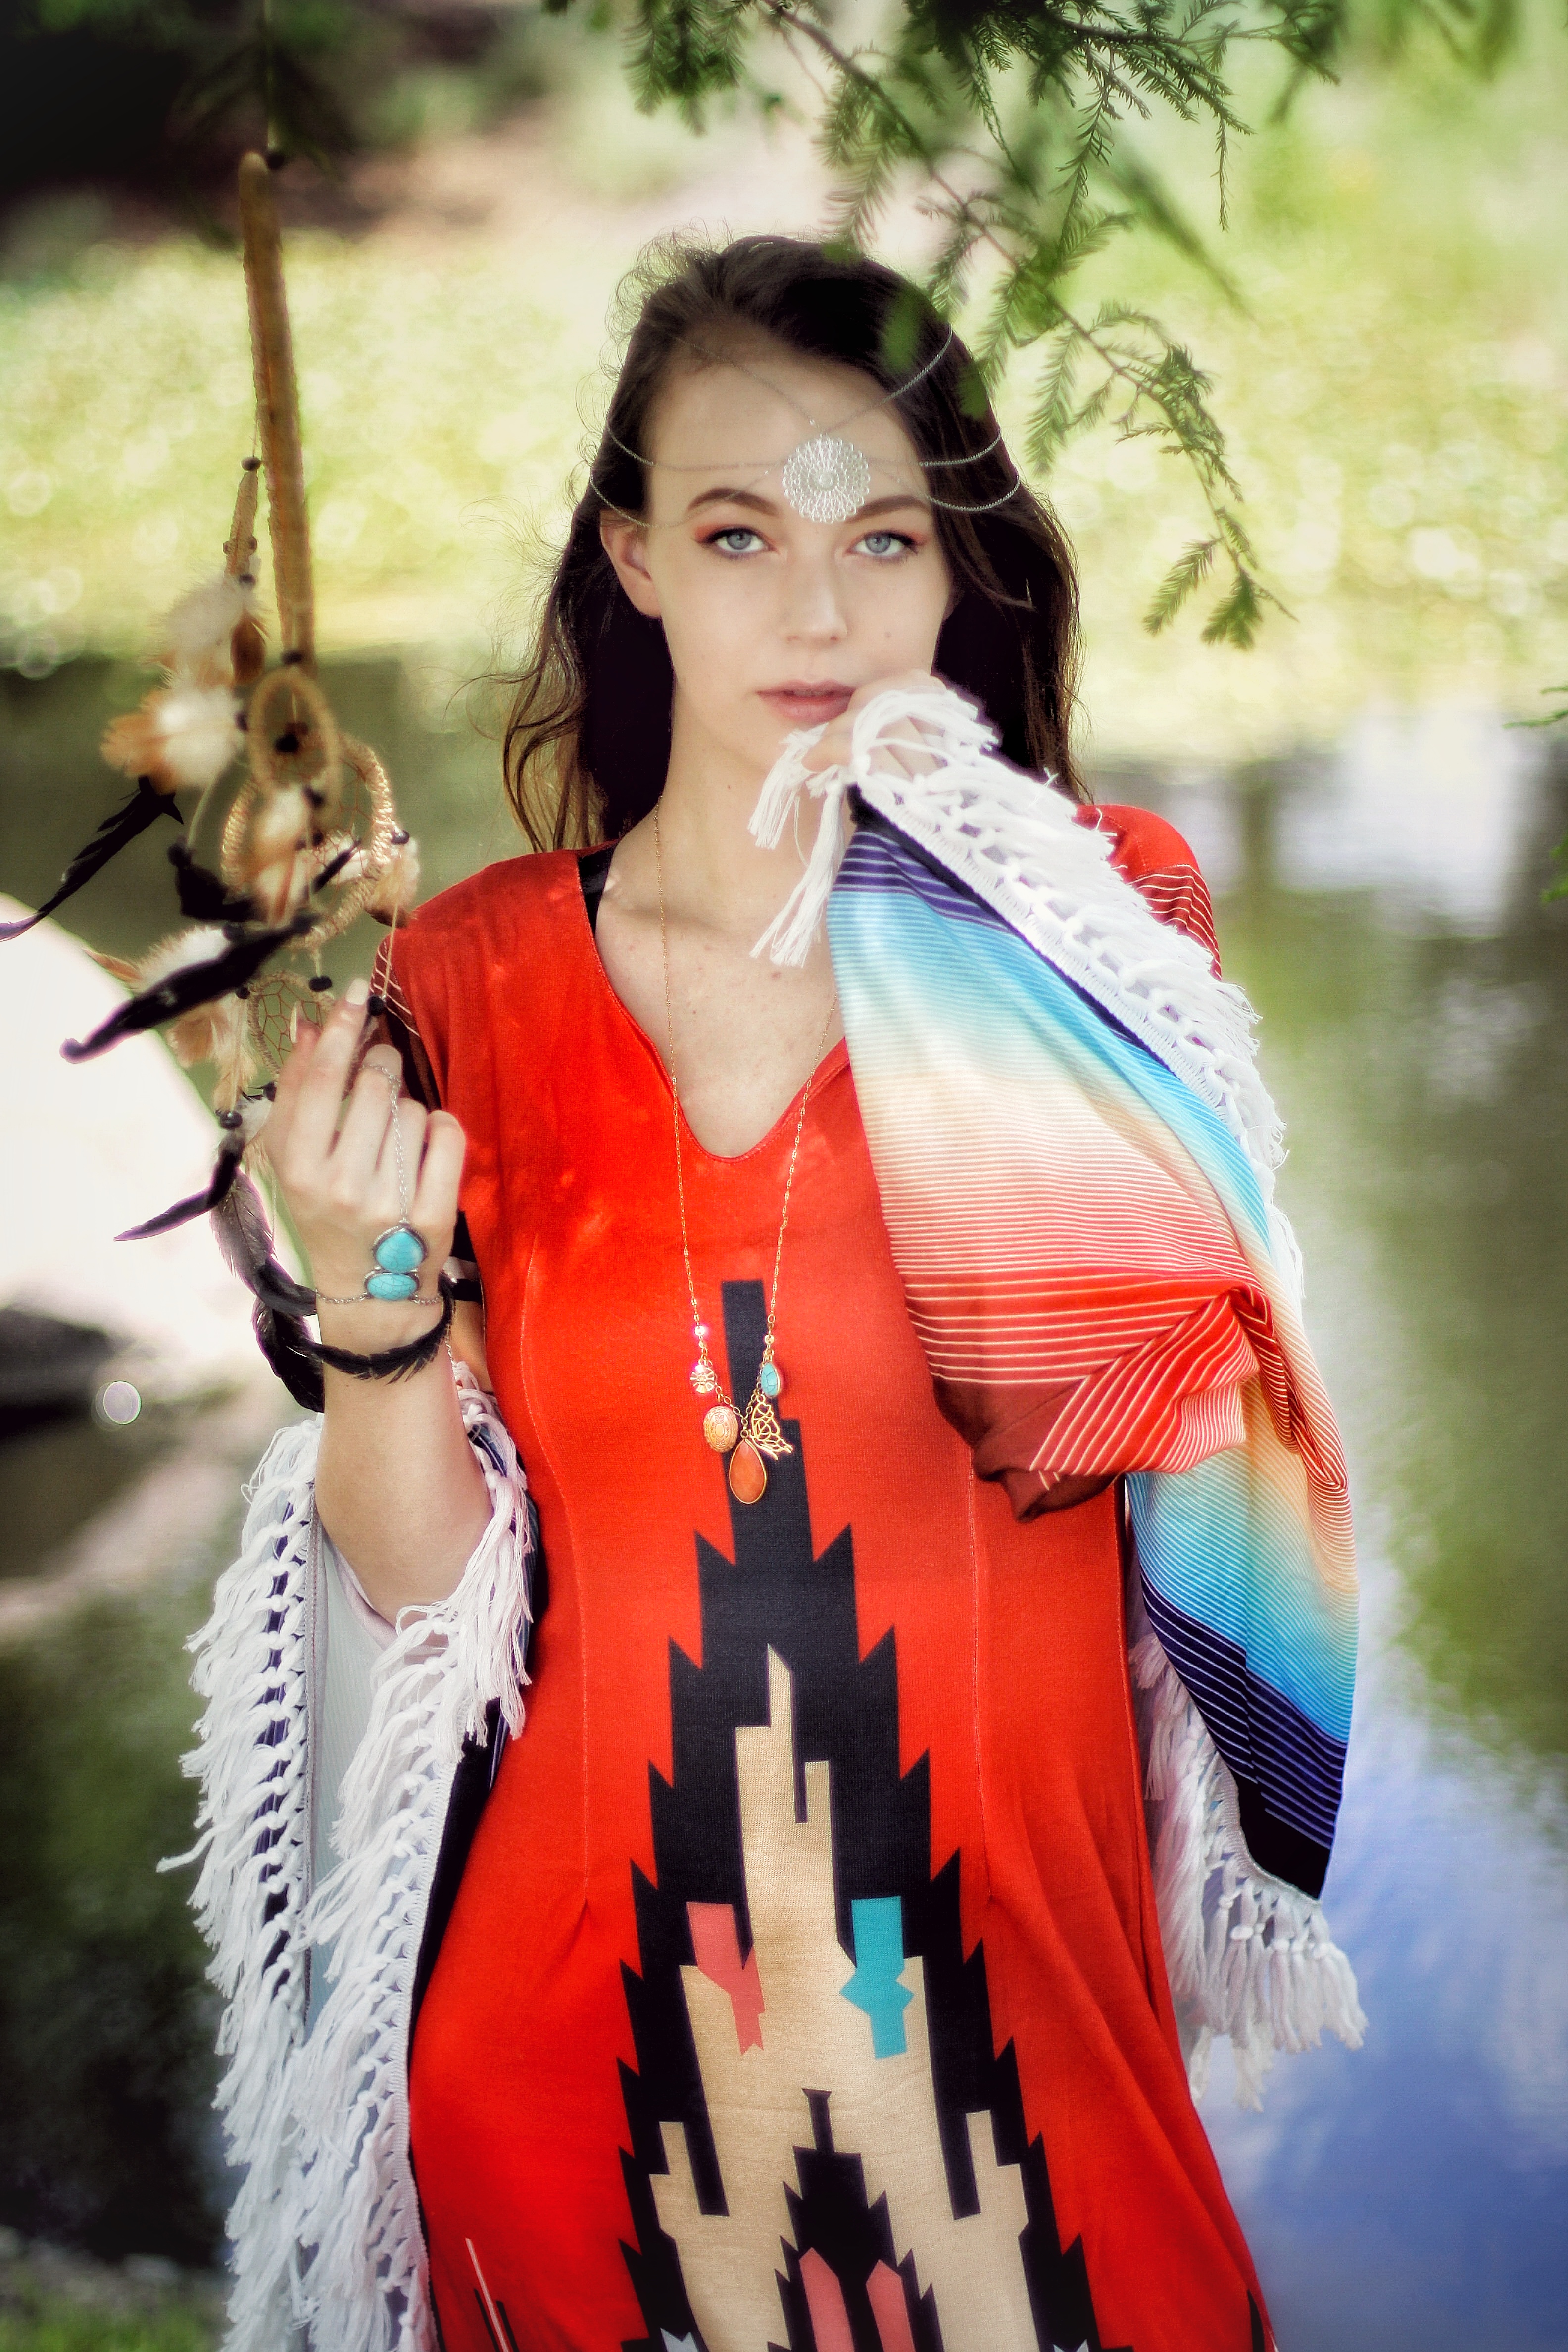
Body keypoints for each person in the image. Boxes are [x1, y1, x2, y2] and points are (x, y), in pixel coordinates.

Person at [187, 236, 1363, 2352]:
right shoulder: (472, 973)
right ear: (635, 558)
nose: (817, 613)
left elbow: (1169, 1424)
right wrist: (369, 1295)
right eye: (739, 534)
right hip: (583, 2091)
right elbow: (426, 1586)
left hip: (1030, 2074)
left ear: (953, 566)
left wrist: (956, 911)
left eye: (879, 535)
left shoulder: (1098, 937)